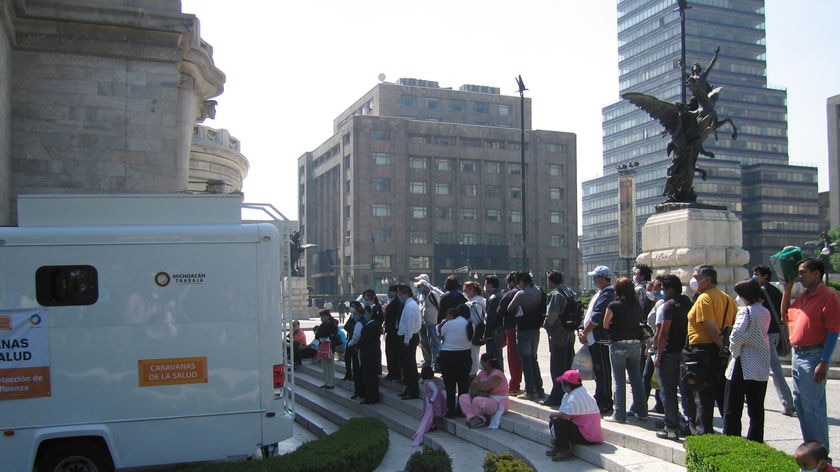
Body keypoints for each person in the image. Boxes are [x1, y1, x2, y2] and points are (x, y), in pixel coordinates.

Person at [782, 258, 840, 453]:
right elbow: (785, 316)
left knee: (813, 408)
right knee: (801, 405)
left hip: (814, 355)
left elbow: (833, 331)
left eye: (803, 272)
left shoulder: (828, 296)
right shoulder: (805, 296)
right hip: (798, 355)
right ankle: (811, 452)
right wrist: (787, 289)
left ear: (817, 273)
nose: (800, 276)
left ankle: (821, 455)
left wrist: (823, 361)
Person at [683, 264, 736, 435]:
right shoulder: (727, 298)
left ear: (707, 279)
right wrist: (724, 349)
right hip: (719, 350)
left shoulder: (704, 298)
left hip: (704, 350)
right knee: (720, 394)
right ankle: (730, 431)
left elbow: (710, 325)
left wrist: (720, 346)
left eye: (697, 276)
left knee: (703, 395)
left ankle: (703, 433)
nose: (694, 279)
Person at [723, 279, 771, 443]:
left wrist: (734, 353)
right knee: (756, 408)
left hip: (743, 361)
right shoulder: (765, 311)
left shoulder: (745, 312)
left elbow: (736, 335)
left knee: (733, 407)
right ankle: (755, 441)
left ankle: (732, 441)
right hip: (761, 363)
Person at [602, 277, 648, 423]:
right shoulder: (637, 305)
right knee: (636, 380)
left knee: (619, 380)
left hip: (618, 344)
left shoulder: (613, 305)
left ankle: (619, 414)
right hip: (635, 344)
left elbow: (605, 325)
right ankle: (642, 412)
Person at [752, 264, 795, 416]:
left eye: (757, 273)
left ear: (764, 276)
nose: (755, 276)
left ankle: (788, 403)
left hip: (767, 333)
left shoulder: (762, 291)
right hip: (775, 332)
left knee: (775, 369)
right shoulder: (775, 290)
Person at [653, 274, 690, 440]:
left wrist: (659, 354)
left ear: (669, 289)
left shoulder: (668, 306)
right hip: (686, 352)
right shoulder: (688, 302)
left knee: (668, 391)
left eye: (663, 289)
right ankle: (691, 424)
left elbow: (664, 332)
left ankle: (671, 427)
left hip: (670, 352)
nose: (661, 292)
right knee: (687, 390)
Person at [578, 265, 615, 415]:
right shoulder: (600, 293)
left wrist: (585, 332)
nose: (594, 280)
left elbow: (597, 317)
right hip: (592, 338)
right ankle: (600, 398)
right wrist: (581, 329)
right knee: (598, 372)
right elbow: (588, 315)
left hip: (599, 339)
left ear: (602, 278)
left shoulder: (609, 293)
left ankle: (605, 402)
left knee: (603, 372)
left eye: (596, 277)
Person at [545, 369, 603, 462]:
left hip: (588, 436)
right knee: (556, 420)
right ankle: (558, 446)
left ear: (567, 385)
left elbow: (564, 416)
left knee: (558, 421)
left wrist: (553, 414)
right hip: (586, 432)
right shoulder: (581, 393)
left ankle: (565, 450)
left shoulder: (575, 397)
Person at [507, 271, 546, 401]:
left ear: (521, 281)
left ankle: (529, 391)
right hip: (535, 330)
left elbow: (510, 308)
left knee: (526, 361)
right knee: (534, 360)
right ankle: (539, 389)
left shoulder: (521, 294)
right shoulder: (539, 291)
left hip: (523, 329)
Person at [541, 270, 576, 407]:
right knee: (567, 364)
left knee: (557, 365)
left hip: (558, 333)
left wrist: (546, 326)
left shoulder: (556, 294)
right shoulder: (569, 291)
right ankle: (569, 392)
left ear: (550, 280)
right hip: (569, 332)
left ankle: (556, 394)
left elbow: (552, 315)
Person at [438, 305, 472, 417]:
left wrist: (445, 321)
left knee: (450, 385)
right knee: (463, 385)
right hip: (465, 355)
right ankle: (462, 409)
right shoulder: (470, 324)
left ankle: (450, 409)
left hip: (448, 356)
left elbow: (439, 332)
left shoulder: (450, 323)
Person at [459, 353, 509, 429]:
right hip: (484, 396)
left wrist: (478, 384)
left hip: (497, 402)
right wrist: (479, 384)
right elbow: (473, 384)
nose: (480, 364)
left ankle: (480, 418)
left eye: (481, 362)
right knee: (463, 397)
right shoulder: (483, 372)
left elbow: (485, 387)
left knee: (477, 401)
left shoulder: (497, 374)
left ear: (487, 363)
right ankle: (472, 417)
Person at [497, 271, 524, 395]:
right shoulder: (534, 292)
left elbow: (500, 311)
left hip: (512, 328)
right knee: (528, 359)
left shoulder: (511, 294)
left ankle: (514, 386)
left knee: (513, 357)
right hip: (528, 329)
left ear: (512, 281)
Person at [357, 289, 384, 404]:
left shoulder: (372, 326)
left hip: (369, 354)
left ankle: (371, 397)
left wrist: (359, 344)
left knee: (370, 378)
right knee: (368, 377)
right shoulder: (371, 324)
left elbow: (365, 339)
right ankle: (370, 396)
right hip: (369, 354)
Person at [397, 284, 422, 400]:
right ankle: (409, 388)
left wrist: (406, 340)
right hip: (409, 337)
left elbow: (410, 325)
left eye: (400, 294)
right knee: (407, 366)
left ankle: (413, 391)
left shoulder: (410, 306)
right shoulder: (409, 304)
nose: (399, 297)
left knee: (410, 366)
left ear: (405, 294)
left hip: (409, 338)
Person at [412, 364, 446, 447]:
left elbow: (435, 391)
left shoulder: (429, 383)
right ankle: (432, 424)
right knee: (430, 413)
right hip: (429, 399)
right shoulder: (427, 381)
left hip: (432, 401)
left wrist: (432, 399)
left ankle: (433, 425)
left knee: (432, 413)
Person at [415, 274, 443, 372]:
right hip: (423, 322)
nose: (418, 287)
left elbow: (440, 305)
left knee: (435, 343)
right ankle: (428, 361)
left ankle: (436, 363)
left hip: (433, 322)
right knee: (424, 342)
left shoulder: (434, 293)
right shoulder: (420, 294)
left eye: (420, 284)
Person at [464, 280, 487, 376]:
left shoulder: (474, 302)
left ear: (472, 290)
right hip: (478, 330)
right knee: (475, 353)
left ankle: (473, 373)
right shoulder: (481, 300)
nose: (465, 292)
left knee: (473, 353)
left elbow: (473, 319)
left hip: (473, 330)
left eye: (466, 290)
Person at [483, 275, 505, 370]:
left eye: (485, 284)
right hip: (500, 331)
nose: (484, 287)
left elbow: (490, 318)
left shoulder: (493, 298)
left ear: (490, 285)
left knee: (493, 356)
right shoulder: (499, 296)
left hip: (493, 333)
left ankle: (497, 376)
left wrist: (486, 334)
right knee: (498, 355)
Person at [383, 285, 404, 382]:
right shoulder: (395, 302)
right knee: (393, 353)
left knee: (392, 353)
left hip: (393, 331)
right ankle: (395, 372)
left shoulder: (396, 303)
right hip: (393, 331)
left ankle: (394, 373)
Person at [313, 309, 338, 389]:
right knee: (324, 365)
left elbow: (328, 333)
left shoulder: (333, 324)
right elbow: (318, 334)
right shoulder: (323, 324)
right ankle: (326, 382)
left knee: (330, 365)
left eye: (323, 316)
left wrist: (322, 334)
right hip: (323, 346)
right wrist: (321, 334)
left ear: (327, 316)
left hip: (330, 347)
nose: (322, 318)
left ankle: (331, 383)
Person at [346, 301, 365, 399]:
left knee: (358, 372)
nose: (354, 315)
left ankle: (359, 391)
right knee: (357, 371)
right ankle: (358, 391)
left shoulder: (360, 323)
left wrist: (350, 344)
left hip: (357, 348)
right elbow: (346, 326)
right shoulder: (358, 321)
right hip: (357, 348)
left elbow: (356, 336)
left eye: (356, 314)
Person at [342, 306, 358, 381]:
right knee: (347, 357)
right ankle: (348, 373)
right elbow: (346, 326)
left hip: (355, 341)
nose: (352, 308)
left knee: (355, 359)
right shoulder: (352, 317)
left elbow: (354, 329)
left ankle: (355, 375)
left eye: (353, 306)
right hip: (349, 339)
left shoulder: (359, 319)